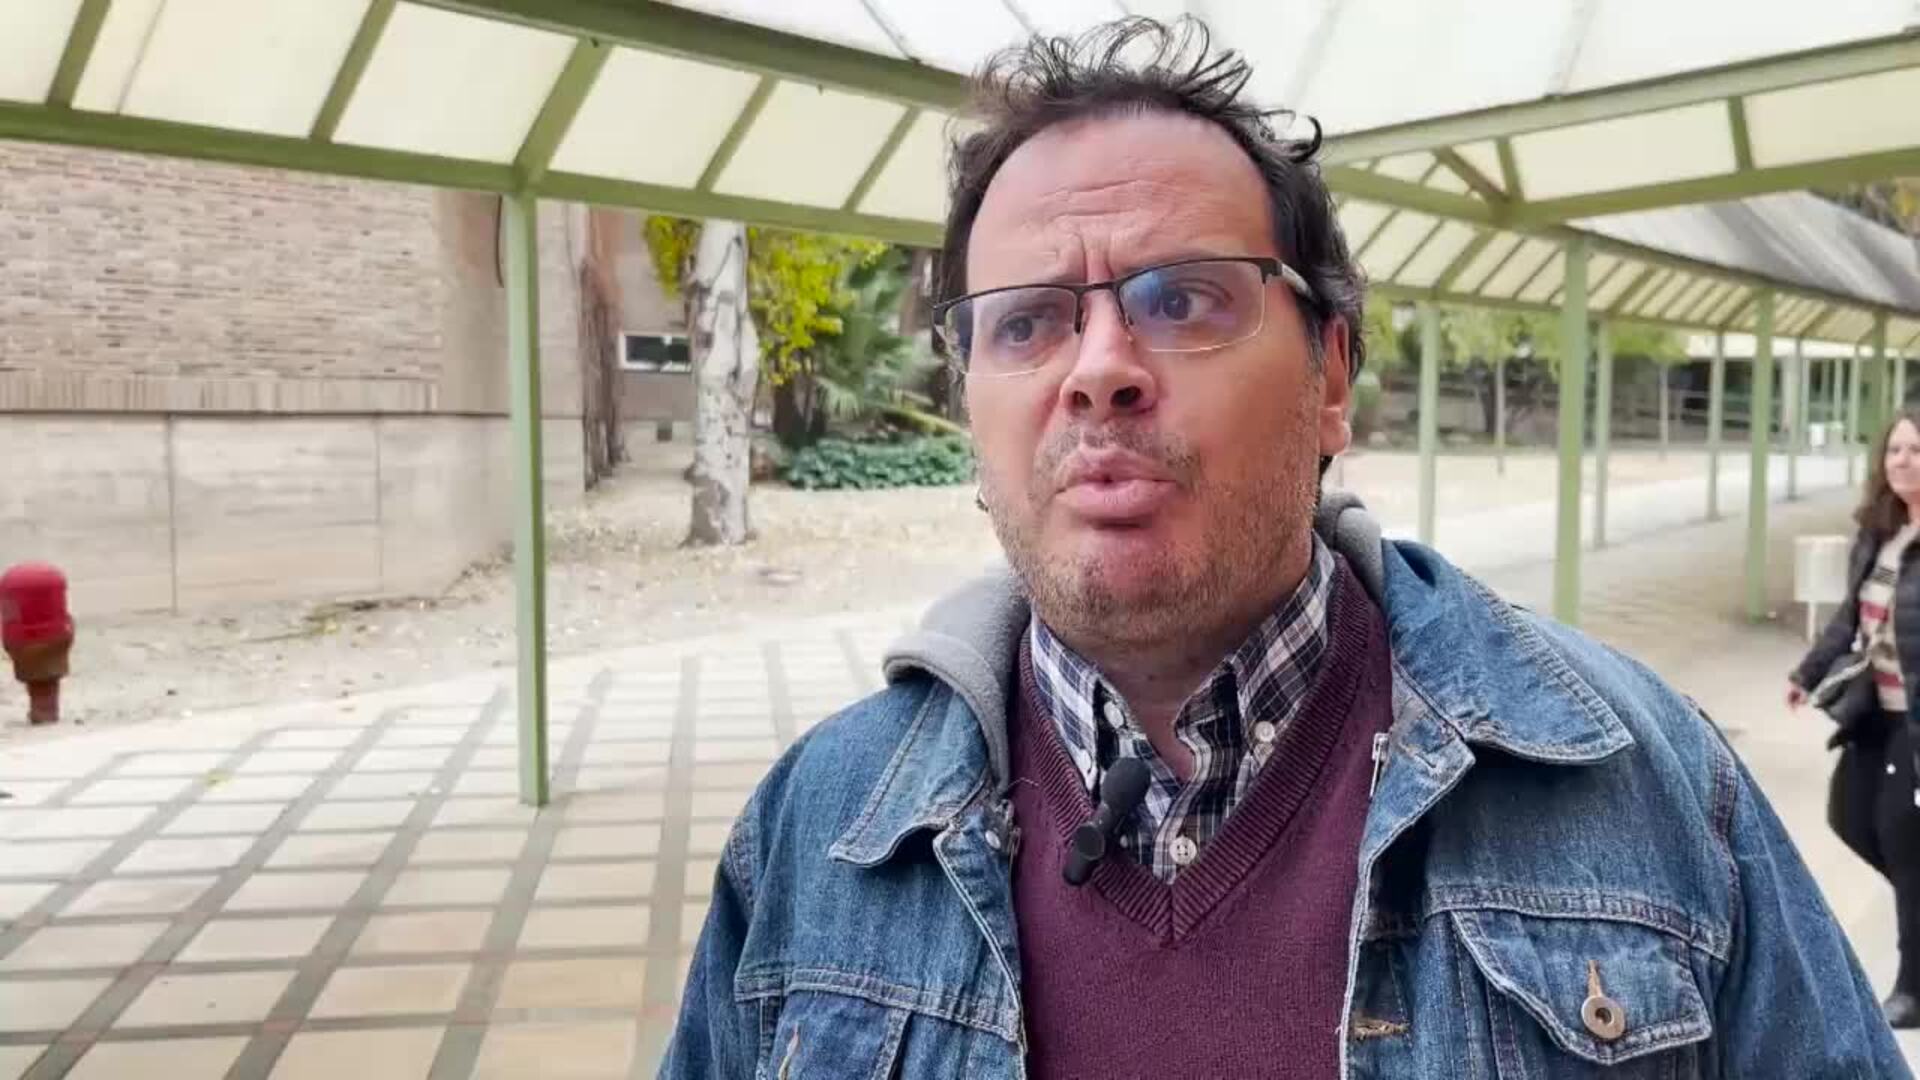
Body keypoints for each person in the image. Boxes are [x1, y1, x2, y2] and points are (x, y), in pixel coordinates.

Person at [663, 17, 1907, 1078]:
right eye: (1028, 323)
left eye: (1183, 299)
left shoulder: (1644, 786)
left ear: (1332, 377)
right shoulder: (816, 835)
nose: (1098, 371)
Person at [1792, 408, 1920, 1030]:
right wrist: (1808, 672)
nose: (1903, 461)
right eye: (1895, 450)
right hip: (1874, 712)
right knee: (1847, 815)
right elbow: (1850, 616)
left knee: (1901, 837)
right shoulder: (1880, 531)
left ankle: (1913, 987)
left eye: (1915, 450)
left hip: (1913, 723)